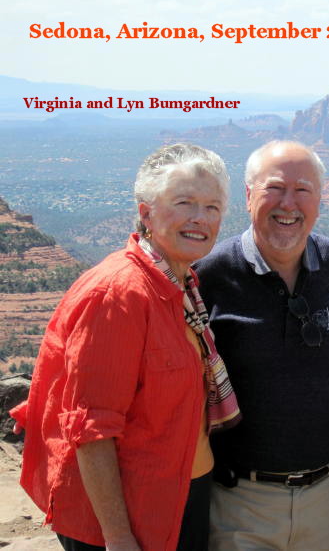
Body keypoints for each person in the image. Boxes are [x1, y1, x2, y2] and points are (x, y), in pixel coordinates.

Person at [9, 143, 240, 551]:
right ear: (146, 212)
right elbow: (91, 427)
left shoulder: (179, 283)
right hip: (128, 517)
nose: (200, 218)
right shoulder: (120, 294)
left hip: (177, 495)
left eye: (212, 207)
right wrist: (118, 537)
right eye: (184, 202)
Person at [194, 140, 329, 551]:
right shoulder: (210, 276)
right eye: (275, 188)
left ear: (319, 201)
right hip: (240, 500)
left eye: (303, 190)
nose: (289, 203)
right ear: (249, 195)